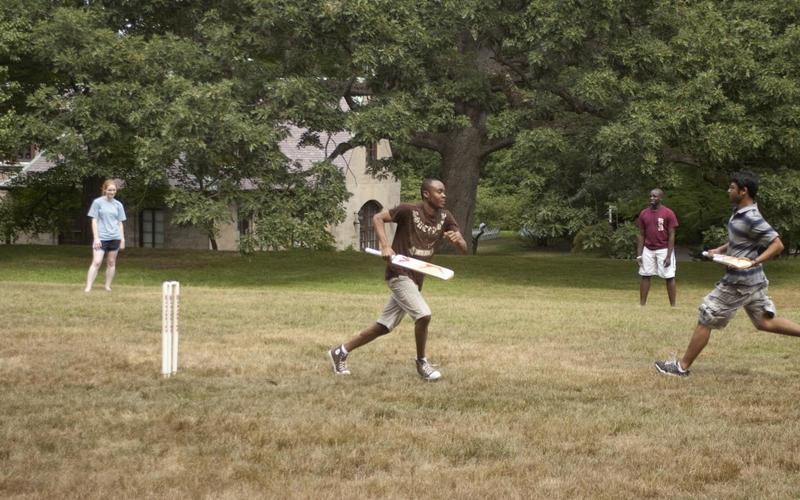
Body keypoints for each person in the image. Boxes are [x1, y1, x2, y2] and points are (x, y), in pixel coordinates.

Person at [655, 171, 800, 377]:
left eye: (732, 188)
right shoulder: (739, 212)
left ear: (744, 191)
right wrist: (720, 250)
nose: (728, 191)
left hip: (739, 282)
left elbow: (777, 245)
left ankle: (681, 367)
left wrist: (754, 261)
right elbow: (739, 239)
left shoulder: (752, 217)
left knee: (707, 316)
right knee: (764, 322)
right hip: (754, 282)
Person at [328, 178, 467, 380]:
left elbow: (463, 248)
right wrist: (385, 245)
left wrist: (458, 240)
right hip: (398, 274)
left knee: (383, 327)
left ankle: (340, 351)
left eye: (444, 191)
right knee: (423, 315)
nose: (444, 195)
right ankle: (421, 363)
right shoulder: (408, 210)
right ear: (426, 194)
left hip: (416, 279)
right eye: (439, 191)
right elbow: (377, 218)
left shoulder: (445, 217)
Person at [636, 188, 678, 306]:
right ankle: (642, 304)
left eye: (655, 196)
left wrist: (669, 256)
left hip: (664, 248)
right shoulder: (644, 213)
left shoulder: (668, 213)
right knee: (645, 275)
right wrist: (639, 254)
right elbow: (641, 234)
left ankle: (673, 306)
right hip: (648, 249)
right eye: (650, 196)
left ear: (661, 198)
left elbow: (672, 234)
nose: (652, 198)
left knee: (669, 276)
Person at [84, 179, 126, 292]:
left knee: (111, 262)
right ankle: (88, 287)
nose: (111, 192)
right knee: (97, 262)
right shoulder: (97, 202)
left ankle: (107, 286)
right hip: (101, 238)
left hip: (115, 237)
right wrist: (96, 238)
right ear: (104, 190)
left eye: (114, 190)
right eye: (109, 190)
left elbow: (120, 223)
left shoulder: (118, 205)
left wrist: (122, 239)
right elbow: (94, 221)